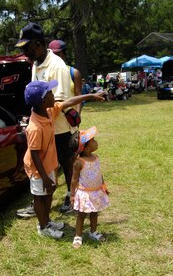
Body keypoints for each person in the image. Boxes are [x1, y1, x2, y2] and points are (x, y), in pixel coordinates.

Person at [23, 80, 105, 239]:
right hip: (37, 169)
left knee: (49, 193)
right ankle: (43, 227)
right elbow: (34, 155)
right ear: (42, 101)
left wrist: (91, 95)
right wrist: (45, 177)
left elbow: (68, 102)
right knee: (40, 197)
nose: (54, 95)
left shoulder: (48, 112)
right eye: (50, 94)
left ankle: (47, 221)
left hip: (49, 165)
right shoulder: (34, 127)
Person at [14, 22, 72, 219]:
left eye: (27, 48)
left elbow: (61, 100)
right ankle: (40, 205)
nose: (25, 54)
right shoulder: (36, 64)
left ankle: (65, 199)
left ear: (38, 44)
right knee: (44, 171)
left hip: (58, 129)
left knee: (60, 166)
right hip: (43, 128)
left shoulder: (58, 66)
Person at [48, 39, 83, 213]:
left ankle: (71, 193)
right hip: (50, 125)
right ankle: (48, 195)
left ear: (64, 53)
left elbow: (78, 95)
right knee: (53, 163)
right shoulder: (49, 69)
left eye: (58, 53)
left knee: (68, 162)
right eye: (52, 53)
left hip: (68, 125)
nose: (54, 56)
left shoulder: (72, 72)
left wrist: (76, 117)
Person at [70, 126, 110, 248]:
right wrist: (72, 195)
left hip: (96, 192)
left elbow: (99, 173)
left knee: (94, 213)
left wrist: (103, 185)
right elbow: (74, 180)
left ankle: (93, 231)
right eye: (93, 140)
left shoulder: (96, 157)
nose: (96, 141)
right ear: (87, 149)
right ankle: (78, 236)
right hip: (85, 194)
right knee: (81, 215)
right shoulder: (79, 162)